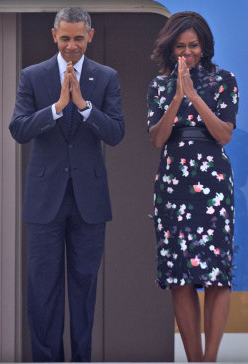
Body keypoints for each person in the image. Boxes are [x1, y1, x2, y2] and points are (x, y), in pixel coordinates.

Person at [9, 7, 124, 362]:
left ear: (90, 36)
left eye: (78, 38)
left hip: (89, 202)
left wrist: (84, 106)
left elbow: (116, 133)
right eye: (64, 38)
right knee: (42, 291)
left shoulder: (106, 77)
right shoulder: (33, 75)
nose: (71, 46)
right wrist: (58, 106)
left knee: (84, 290)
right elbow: (19, 129)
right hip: (45, 201)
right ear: (53, 35)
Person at [147, 11, 238, 362]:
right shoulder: (158, 85)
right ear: (171, 49)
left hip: (212, 181)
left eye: (193, 46)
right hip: (173, 182)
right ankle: (194, 359)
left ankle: (211, 358)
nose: (187, 53)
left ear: (205, 46)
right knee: (179, 275)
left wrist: (195, 96)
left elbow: (224, 134)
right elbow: (156, 139)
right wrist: (176, 96)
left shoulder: (224, 80)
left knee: (217, 274)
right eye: (180, 47)